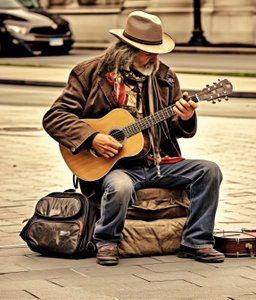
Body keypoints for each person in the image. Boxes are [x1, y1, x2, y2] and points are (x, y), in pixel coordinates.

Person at [42, 11, 225, 266]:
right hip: (117, 167)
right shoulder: (90, 73)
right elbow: (55, 117)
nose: (155, 57)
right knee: (120, 186)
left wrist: (184, 117)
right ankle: (107, 242)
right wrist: (93, 138)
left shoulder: (165, 76)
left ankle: (196, 241)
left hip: (158, 162)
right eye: (147, 51)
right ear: (127, 49)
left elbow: (173, 126)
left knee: (210, 171)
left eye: (157, 50)